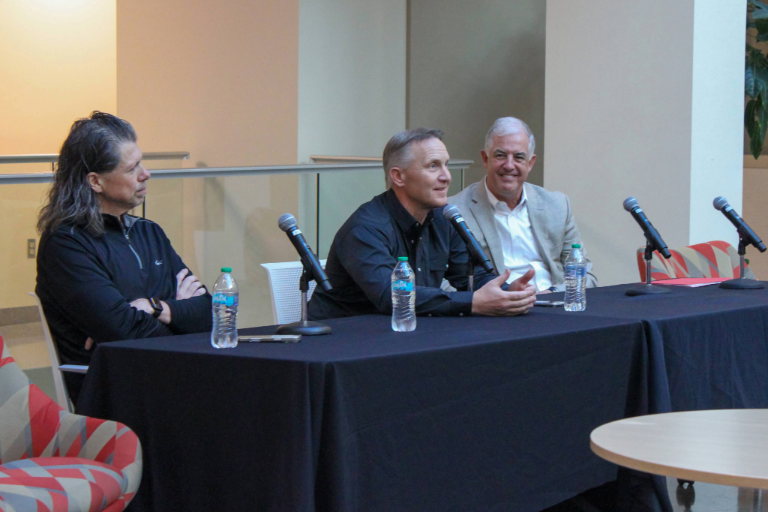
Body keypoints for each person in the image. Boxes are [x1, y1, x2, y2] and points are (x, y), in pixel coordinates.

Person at [36, 112, 212, 405]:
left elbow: (208, 313)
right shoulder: (66, 244)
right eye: (132, 169)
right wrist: (178, 311)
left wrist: (154, 307)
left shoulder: (149, 232)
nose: (146, 174)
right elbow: (124, 332)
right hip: (116, 392)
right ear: (96, 182)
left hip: (170, 379)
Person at [308, 128, 537, 320]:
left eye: (446, 165)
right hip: (345, 340)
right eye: (433, 166)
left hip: (407, 335)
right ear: (399, 177)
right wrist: (473, 303)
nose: (446, 176)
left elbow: (471, 276)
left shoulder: (443, 218)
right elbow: (394, 296)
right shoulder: (365, 229)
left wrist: (507, 293)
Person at [449, 117, 597, 293]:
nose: (509, 165)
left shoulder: (557, 206)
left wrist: (551, 294)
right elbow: (446, 284)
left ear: (530, 163)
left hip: (555, 304)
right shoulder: (456, 211)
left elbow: (585, 275)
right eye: (500, 155)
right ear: (485, 158)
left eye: (519, 157)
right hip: (497, 312)